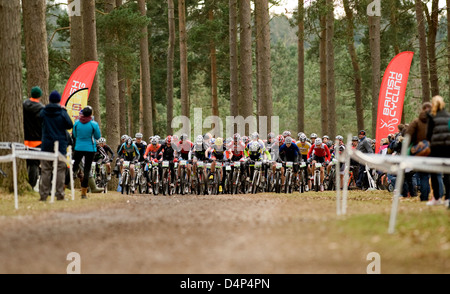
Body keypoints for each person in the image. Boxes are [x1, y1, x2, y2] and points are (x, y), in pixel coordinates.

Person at [39, 90, 73, 201]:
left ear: (49, 100)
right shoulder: (62, 112)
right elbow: (69, 125)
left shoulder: (44, 111)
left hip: (46, 144)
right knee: (60, 169)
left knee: (45, 169)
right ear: (59, 100)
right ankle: (60, 194)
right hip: (60, 145)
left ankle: (43, 195)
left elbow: (38, 121)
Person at [72, 106, 102, 199]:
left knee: (73, 168)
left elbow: (75, 134)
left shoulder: (76, 123)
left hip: (78, 147)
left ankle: (63, 188)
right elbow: (97, 137)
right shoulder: (93, 124)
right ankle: (84, 194)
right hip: (90, 148)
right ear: (91, 114)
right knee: (86, 170)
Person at [426, 96, 450, 207]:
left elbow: (428, 134)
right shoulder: (448, 116)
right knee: (447, 172)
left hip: (436, 147)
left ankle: (436, 197)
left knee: (434, 172)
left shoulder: (432, 116)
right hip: (447, 147)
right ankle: (448, 198)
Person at [406, 102, 432, 202]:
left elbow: (409, 136)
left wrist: (409, 149)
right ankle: (431, 195)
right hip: (432, 152)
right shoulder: (435, 121)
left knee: (423, 174)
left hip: (420, 152)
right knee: (429, 175)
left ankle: (424, 197)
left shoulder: (416, 122)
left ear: (422, 109)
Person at [23, 86, 44, 189]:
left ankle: (26, 182)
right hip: (37, 140)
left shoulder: (23, 105)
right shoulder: (41, 108)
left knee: (25, 162)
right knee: (34, 163)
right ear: (40, 96)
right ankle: (31, 185)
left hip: (24, 139)